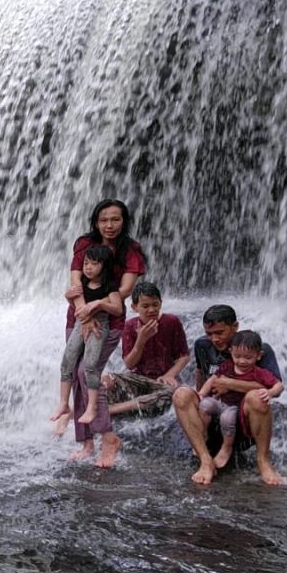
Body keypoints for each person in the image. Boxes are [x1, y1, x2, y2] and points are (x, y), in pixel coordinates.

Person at [58, 199, 147, 468]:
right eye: (104, 220)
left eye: (115, 219)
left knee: (89, 372)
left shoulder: (131, 250)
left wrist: (96, 309)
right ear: (96, 221)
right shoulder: (85, 244)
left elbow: (125, 290)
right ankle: (86, 442)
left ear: (124, 221)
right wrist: (83, 311)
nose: (109, 225)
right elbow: (75, 281)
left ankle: (109, 438)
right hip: (78, 316)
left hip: (109, 319)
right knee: (74, 374)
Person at [172, 305, 286, 486]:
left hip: (243, 418)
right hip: (213, 412)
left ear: (235, 326)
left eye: (219, 332)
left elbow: (270, 388)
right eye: (209, 333)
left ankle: (263, 462)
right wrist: (199, 397)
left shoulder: (256, 348)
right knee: (181, 394)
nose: (214, 339)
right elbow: (201, 373)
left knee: (257, 396)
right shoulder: (203, 345)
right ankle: (205, 460)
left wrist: (229, 384)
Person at [51, 244, 121, 426]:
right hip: (79, 325)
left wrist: (99, 304)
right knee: (67, 362)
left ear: (104, 266)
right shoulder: (82, 282)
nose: (88, 267)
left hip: (99, 326)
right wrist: (68, 297)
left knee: (90, 365)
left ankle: (91, 407)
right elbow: (76, 306)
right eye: (86, 263)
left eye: (94, 264)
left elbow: (118, 308)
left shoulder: (109, 286)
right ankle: (64, 403)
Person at [196, 330, 284, 470]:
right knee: (204, 405)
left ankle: (226, 447)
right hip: (220, 402)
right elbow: (213, 379)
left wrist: (270, 392)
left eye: (248, 357)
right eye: (237, 356)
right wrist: (200, 394)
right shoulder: (227, 365)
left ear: (259, 355)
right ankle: (202, 435)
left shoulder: (258, 373)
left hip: (235, 407)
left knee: (227, 418)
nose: (242, 361)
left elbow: (279, 385)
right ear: (231, 352)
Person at [105, 281, 190, 417]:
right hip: (138, 380)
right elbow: (129, 364)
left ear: (161, 303)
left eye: (155, 305)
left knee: (172, 393)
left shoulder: (172, 322)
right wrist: (141, 340)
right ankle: (79, 409)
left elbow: (184, 356)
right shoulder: (130, 326)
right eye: (145, 306)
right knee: (107, 379)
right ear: (134, 307)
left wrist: (170, 374)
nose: (151, 310)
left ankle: (113, 409)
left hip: (162, 383)